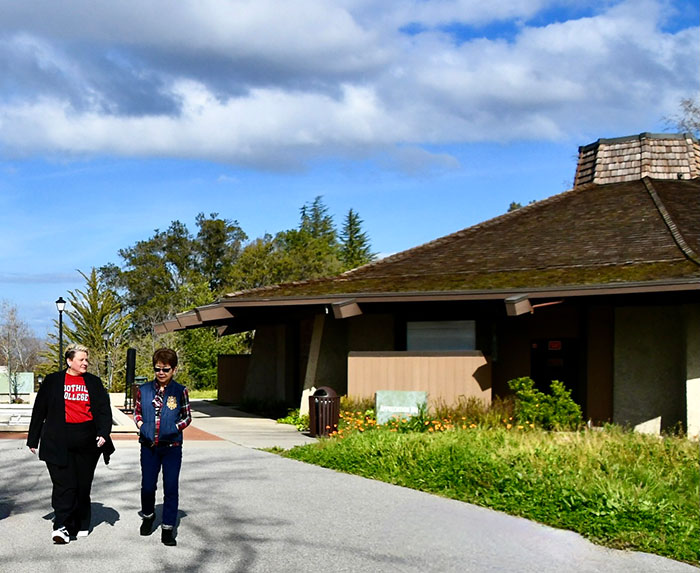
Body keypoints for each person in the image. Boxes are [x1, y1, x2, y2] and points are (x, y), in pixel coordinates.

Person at [27, 344, 114, 544]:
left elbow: (103, 410)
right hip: (58, 439)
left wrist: (103, 433)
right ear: (69, 361)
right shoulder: (53, 381)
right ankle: (61, 525)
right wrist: (33, 438)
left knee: (82, 485)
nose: (85, 363)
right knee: (64, 484)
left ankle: (82, 521)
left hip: (86, 441)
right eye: (81, 359)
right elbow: (40, 409)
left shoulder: (93, 382)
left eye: (86, 359)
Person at [134, 347, 192, 546]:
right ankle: (148, 516)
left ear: (173, 370)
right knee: (148, 486)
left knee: (171, 486)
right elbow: (138, 413)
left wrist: (173, 428)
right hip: (149, 446)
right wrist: (143, 427)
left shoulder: (180, 391)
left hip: (172, 447)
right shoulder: (144, 390)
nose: (161, 373)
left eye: (165, 369)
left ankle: (168, 527)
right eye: (157, 369)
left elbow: (187, 417)